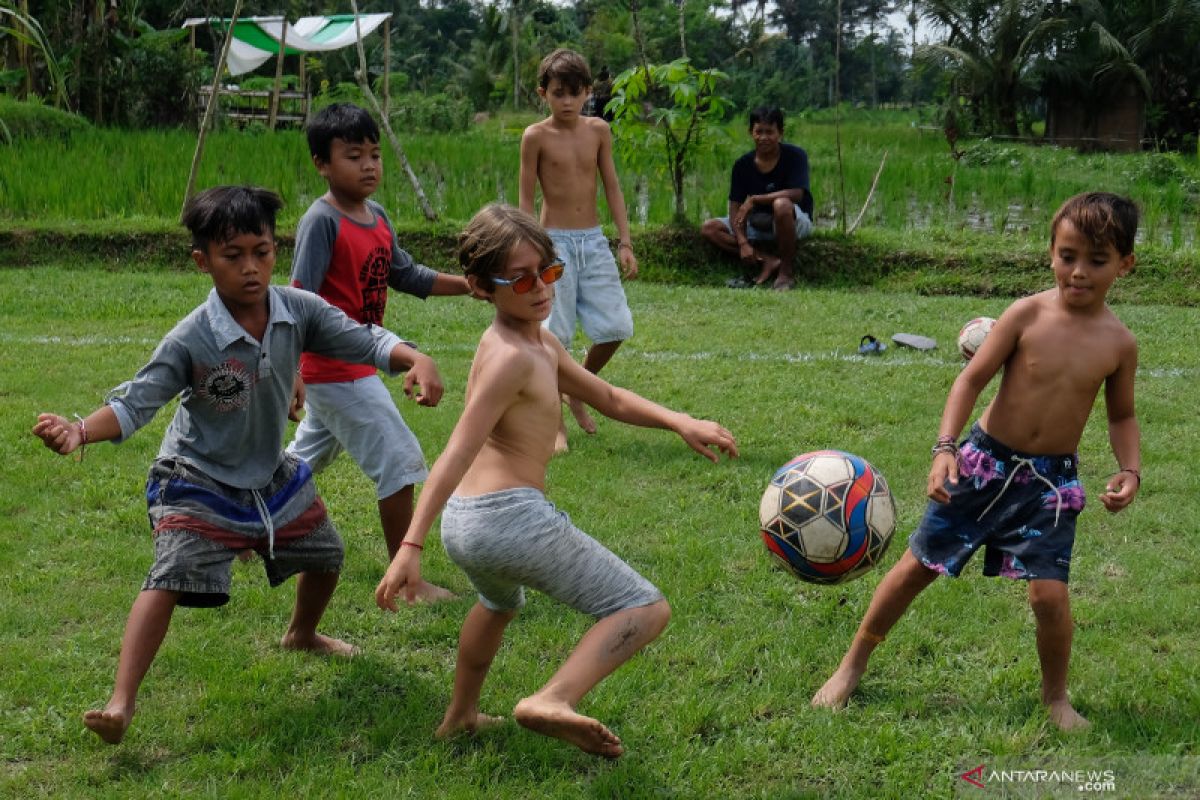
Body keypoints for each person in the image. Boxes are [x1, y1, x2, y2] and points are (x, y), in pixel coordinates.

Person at [31, 185, 445, 745]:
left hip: (267, 475)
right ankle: (120, 703)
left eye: (263, 251)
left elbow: (362, 339)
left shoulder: (295, 310)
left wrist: (413, 356)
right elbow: (135, 403)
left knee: (326, 554)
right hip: (195, 478)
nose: (252, 268)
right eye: (233, 256)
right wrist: (80, 430)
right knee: (168, 577)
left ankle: (302, 635)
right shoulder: (193, 336)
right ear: (202, 260)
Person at [375, 204, 738, 758]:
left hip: (470, 526)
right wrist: (409, 545)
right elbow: (456, 449)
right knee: (643, 607)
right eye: (520, 279)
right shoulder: (513, 358)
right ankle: (554, 699)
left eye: (548, 272)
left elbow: (606, 396)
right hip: (508, 517)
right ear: (480, 287)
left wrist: (678, 421)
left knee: (497, 606)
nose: (540, 288)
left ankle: (461, 717)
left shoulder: (533, 340)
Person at [811, 192, 1141, 732]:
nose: (1078, 272)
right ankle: (853, 664)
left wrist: (1130, 469)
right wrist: (945, 450)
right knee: (916, 568)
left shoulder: (1119, 343)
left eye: (1097, 261)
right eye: (1067, 256)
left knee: (1050, 595)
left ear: (1125, 264)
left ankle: (1055, 697)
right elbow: (970, 380)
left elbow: (1122, 415)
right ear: (1051, 252)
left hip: (1048, 484)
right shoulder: (1026, 314)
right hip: (982, 465)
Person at [286, 103, 468, 601]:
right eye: (352, 156)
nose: (368, 165)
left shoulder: (378, 217)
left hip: (356, 362)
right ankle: (406, 579)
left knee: (297, 465)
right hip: (335, 369)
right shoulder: (321, 222)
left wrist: (473, 286)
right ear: (322, 164)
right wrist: (290, 369)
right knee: (401, 461)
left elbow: (406, 274)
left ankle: (239, 519)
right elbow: (299, 299)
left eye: (374, 154)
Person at [519, 48, 638, 453]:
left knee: (617, 326)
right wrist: (528, 248)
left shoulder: (598, 131)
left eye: (575, 93)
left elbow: (613, 186)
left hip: (593, 240)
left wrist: (625, 242)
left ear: (588, 92)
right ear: (543, 93)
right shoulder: (535, 136)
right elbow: (524, 196)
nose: (567, 101)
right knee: (555, 335)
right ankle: (555, 425)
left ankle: (578, 389)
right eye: (558, 93)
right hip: (552, 244)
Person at [700, 106, 814, 291]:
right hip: (757, 223)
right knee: (709, 228)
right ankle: (768, 260)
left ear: (781, 133)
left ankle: (785, 272)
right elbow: (735, 206)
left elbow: (797, 194)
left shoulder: (795, 156)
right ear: (750, 132)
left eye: (770, 132)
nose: (763, 137)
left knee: (781, 204)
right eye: (758, 131)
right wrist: (743, 241)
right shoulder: (742, 165)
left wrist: (755, 200)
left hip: (791, 222)